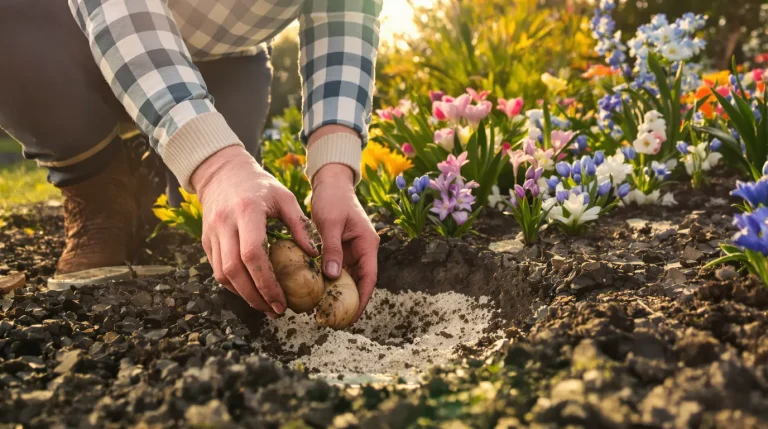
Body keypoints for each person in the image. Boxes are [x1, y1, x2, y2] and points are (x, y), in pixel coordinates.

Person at [0, 0, 382, 322]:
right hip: (66, 32)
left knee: (203, 226)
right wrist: (216, 165)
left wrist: (334, 174)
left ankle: (149, 171)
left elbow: (345, 17)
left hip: (227, 56)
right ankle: (97, 185)